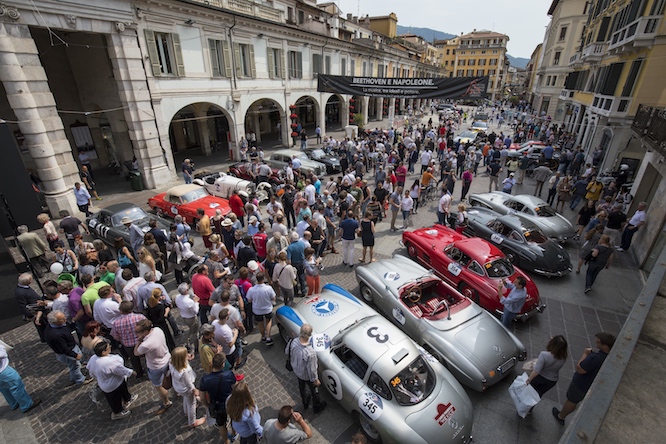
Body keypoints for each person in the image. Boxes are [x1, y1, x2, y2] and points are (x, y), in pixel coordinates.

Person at [553, 333, 616, 425]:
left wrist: (585, 354)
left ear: (605, 346)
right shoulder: (609, 357)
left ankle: (561, 416)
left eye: (598, 342)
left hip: (580, 385)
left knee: (572, 400)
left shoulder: (595, 358)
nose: (596, 343)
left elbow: (580, 369)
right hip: (588, 385)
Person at [87, 341, 137, 420]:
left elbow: (91, 371)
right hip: (112, 385)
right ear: (103, 352)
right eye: (108, 347)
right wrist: (131, 372)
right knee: (115, 399)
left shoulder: (93, 358)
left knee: (123, 390)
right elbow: (121, 370)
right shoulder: (109, 362)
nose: (110, 346)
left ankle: (127, 399)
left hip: (109, 382)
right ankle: (117, 413)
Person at [134, 319, 172, 415]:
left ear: (145, 331)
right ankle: (178, 392)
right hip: (167, 358)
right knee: (171, 377)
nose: (136, 334)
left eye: (138, 332)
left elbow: (136, 352)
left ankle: (166, 402)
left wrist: (139, 340)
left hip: (156, 366)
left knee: (158, 386)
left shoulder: (146, 344)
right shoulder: (158, 330)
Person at [44, 310, 92, 387]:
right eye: (62, 319)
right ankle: (80, 380)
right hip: (68, 352)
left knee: (73, 366)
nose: (65, 319)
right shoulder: (56, 335)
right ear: (55, 321)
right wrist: (75, 355)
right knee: (76, 366)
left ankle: (73, 378)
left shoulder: (55, 325)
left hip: (69, 348)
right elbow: (64, 349)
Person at [287, 323, 326, 413]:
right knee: (314, 390)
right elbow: (312, 370)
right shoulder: (310, 352)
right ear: (309, 335)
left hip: (297, 371)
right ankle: (317, 405)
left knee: (302, 387)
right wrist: (315, 380)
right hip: (306, 375)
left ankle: (305, 402)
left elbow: (287, 351)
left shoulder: (294, 341)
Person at [200, 353, 237, 442]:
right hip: (230, 403)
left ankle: (226, 442)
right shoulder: (229, 375)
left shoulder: (205, 379)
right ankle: (234, 434)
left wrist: (208, 405)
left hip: (217, 406)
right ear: (223, 364)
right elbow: (235, 388)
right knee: (233, 418)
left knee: (221, 425)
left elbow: (202, 397)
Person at [169, 346, 206, 427]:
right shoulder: (183, 372)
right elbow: (189, 384)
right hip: (186, 389)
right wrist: (195, 390)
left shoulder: (172, 363)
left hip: (179, 387)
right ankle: (192, 421)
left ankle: (186, 412)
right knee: (192, 403)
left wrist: (186, 358)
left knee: (186, 398)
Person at [0, 343, 41, 413]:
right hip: (3, 370)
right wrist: (3, 348)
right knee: (16, 384)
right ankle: (26, 404)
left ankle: (13, 403)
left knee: (4, 388)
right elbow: (2, 355)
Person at [111, 301, 147, 379]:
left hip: (128, 345)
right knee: (147, 355)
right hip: (142, 341)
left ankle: (139, 373)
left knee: (134, 359)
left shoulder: (116, 323)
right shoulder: (140, 317)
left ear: (121, 311)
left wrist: (122, 339)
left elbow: (115, 336)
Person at [246, 272, 276, 345]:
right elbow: (273, 298)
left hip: (257, 310)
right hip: (267, 308)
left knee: (260, 323)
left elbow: (249, 300)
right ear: (263, 278)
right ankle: (268, 337)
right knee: (268, 321)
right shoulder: (268, 288)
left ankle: (263, 337)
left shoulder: (251, 289)